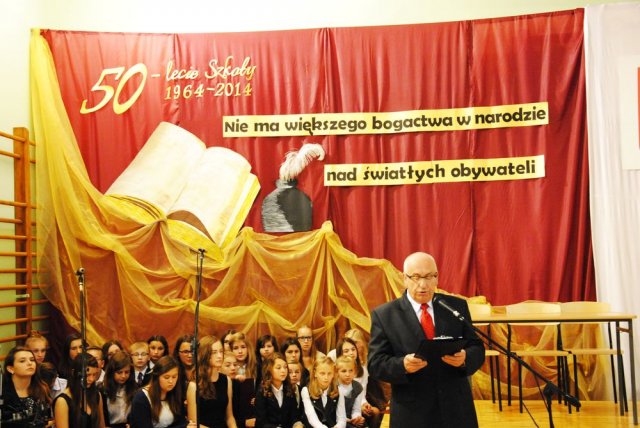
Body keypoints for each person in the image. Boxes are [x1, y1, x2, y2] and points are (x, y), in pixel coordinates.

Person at [367, 252, 485, 428]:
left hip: (455, 408)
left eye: (429, 276)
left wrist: (465, 358)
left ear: (437, 278)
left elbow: (476, 347)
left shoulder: (455, 307)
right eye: (416, 277)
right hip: (412, 412)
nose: (423, 284)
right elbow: (375, 364)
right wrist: (402, 365)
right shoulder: (385, 315)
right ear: (404, 279)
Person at [186, 336, 237, 428]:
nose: (220, 356)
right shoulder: (194, 385)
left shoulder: (226, 380)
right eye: (214, 352)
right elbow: (194, 424)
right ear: (205, 354)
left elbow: (229, 417)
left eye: (221, 351)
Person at [129, 356, 187, 428]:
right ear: (157, 377)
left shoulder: (175, 392)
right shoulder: (141, 398)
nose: (171, 381)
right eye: (166, 377)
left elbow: (181, 422)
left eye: (174, 377)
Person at [1, 346, 51, 428]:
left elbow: (47, 420)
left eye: (32, 360)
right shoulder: (2, 393)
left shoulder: (42, 388)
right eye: (22, 361)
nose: (29, 363)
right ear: (10, 368)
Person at [53, 353, 105, 428]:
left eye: (94, 374)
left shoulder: (96, 395)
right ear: (74, 373)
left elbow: (101, 426)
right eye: (87, 375)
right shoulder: (62, 401)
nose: (91, 379)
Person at [254, 353, 303, 428]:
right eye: (278, 368)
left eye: (285, 367)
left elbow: (295, 416)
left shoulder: (289, 389)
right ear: (269, 370)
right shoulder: (262, 392)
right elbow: (261, 423)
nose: (283, 370)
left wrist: (298, 424)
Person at [300, 356, 346, 428]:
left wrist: (338, 427)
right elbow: (312, 418)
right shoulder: (306, 391)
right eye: (322, 373)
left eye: (329, 373)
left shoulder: (339, 390)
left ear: (333, 374)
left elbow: (342, 418)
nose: (326, 377)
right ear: (315, 373)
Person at [102, 351, 137, 428]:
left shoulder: (135, 388)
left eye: (127, 372)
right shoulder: (102, 390)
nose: (123, 376)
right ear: (112, 372)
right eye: (119, 372)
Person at [335, 356, 365, 428]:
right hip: (336, 421)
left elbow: (356, 409)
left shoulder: (358, 387)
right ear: (337, 372)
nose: (348, 374)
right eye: (344, 371)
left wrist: (357, 418)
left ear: (355, 371)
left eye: (351, 370)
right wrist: (345, 420)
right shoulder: (333, 387)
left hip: (350, 420)